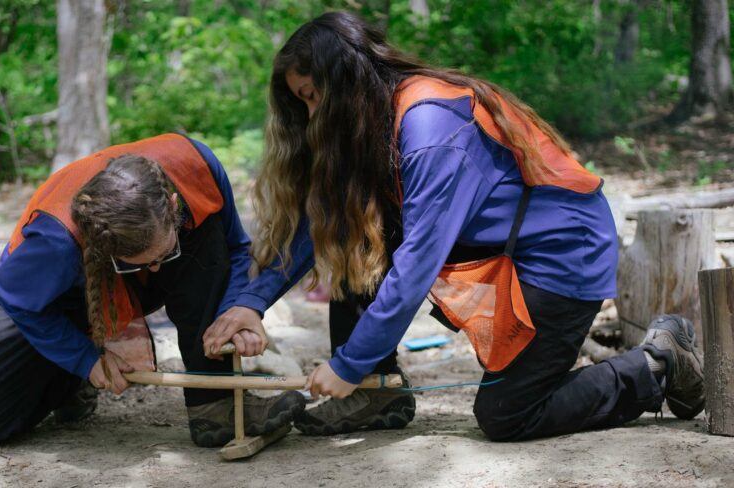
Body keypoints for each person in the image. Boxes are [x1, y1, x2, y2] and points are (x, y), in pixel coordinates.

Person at [203, 12, 704, 441]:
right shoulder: (372, 124)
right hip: (497, 247)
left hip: (562, 254)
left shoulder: (429, 126)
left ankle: (656, 364)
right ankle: (378, 396)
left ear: (348, 82)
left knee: (507, 414)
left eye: (314, 97)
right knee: (352, 225)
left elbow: (417, 262)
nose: (311, 116)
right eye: (301, 103)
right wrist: (249, 303)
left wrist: (347, 366)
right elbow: (319, 221)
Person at [0, 133, 304, 449]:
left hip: (132, 274)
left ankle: (216, 406)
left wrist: (235, 310)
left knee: (205, 239)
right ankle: (66, 381)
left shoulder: (197, 165)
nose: (159, 269)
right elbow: (20, 303)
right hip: (56, 300)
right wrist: (84, 360)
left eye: (163, 254)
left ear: (172, 206)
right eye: (140, 260)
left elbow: (237, 248)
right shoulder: (54, 242)